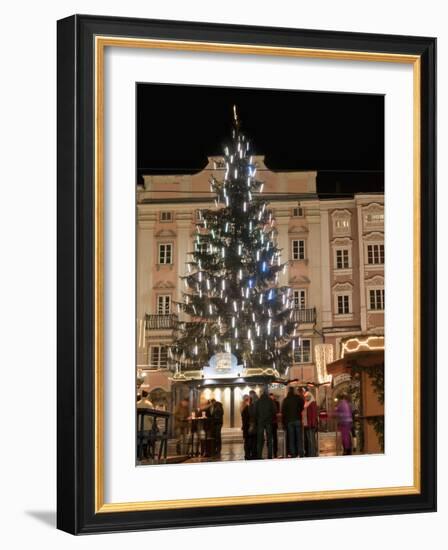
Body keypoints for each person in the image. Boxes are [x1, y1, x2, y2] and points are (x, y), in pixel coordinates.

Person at [281, 386, 305, 458]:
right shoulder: (298, 398)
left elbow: (283, 412)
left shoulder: (285, 400)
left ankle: (293, 453)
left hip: (289, 421)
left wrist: (284, 422)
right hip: (297, 419)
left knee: (291, 438)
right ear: (294, 391)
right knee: (299, 437)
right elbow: (302, 407)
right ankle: (300, 453)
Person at [255, 386, 277, 459]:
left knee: (259, 440)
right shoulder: (270, 401)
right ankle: (269, 456)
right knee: (269, 440)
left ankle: (259, 456)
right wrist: (270, 417)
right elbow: (274, 411)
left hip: (260, 422)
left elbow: (255, 412)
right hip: (268, 422)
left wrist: (258, 419)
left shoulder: (258, 401)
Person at [303, 391, 318, 457]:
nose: (306, 398)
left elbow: (314, 414)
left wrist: (312, 424)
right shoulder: (306, 403)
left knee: (311, 440)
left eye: (307, 396)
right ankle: (310, 453)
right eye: (305, 397)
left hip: (311, 425)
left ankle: (312, 454)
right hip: (306, 424)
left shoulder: (312, 403)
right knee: (309, 440)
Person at [269, 393, 280, 458]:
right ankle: (272, 452)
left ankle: (275, 452)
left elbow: (277, 411)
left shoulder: (276, 403)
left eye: (272, 397)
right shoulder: (275, 403)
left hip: (273, 422)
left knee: (274, 438)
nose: (271, 398)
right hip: (271, 422)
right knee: (271, 438)